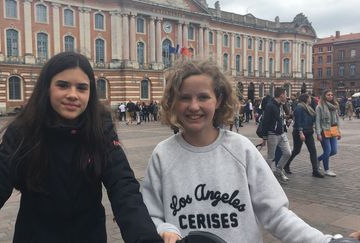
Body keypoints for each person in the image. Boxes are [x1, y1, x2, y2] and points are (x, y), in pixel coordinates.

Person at [0, 52, 163, 243]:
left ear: (90, 93)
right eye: (63, 85)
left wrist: (145, 238)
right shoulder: (23, 131)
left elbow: (124, 189)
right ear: (47, 88)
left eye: (82, 88)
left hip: (88, 235)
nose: (73, 94)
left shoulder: (100, 131)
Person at [141, 60, 359, 243]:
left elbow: (276, 214)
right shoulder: (163, 154)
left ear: (218, 101)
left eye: (203, 97)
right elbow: (150, 214)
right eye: (185, 97)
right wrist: (163, 229)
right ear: (173, 102)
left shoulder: (241, 148)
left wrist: (325, 241)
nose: (194, 106)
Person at [284, 94, 324, 178]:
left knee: (313, 150)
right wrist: (300, 132)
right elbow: (298, 121)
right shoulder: (299, 108)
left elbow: (313, 118)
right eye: (309, 98)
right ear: (306, 99)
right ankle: (286, 164)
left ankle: (315, 171)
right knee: (296, 150)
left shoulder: (308, 108)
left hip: (309, 131)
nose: (310, 99)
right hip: (299, 132)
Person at [261, 87, 291, 184]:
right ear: (281, 95)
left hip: (282, 133)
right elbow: (265, 121)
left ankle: (278, 170)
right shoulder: (270, 106)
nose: (286, 96)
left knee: (287, 153)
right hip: (272, 134)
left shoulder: (281, 105)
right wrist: (264, 137)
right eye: (285, 94)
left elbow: (282, 116)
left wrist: (287, 118)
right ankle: (267, 176)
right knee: (271, 156)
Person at [315, 89, 341, 177]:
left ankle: (317, 160)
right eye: (328, 95)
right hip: (324, 130)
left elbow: (337, 120)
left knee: (334, 151)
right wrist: (318, 133)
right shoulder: (320, 106)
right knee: (328, 150)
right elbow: (317, 121)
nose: (330, 96)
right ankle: (327, 170)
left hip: (333, 129)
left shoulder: (334, 106)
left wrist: (338, 131)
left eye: (331, 95)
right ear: (324, 96)